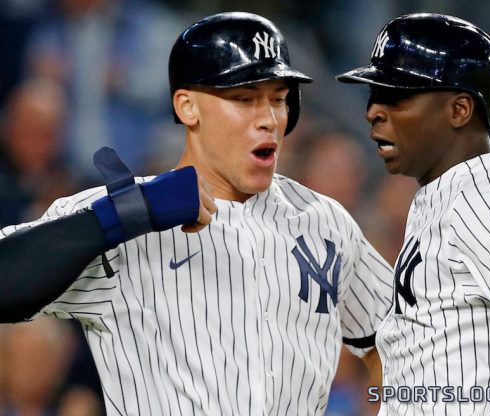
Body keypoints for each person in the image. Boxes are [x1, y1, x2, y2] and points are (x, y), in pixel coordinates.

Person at [0, 12, 394, 415]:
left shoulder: (323, 220)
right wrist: (119, 219)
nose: (268, 119)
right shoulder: (122, 213)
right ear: (188, 107)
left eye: (278, 99)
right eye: (244, 99)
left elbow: (404, 346)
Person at [336, 13, 490, 416]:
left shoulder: (484, 195)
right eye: (373, 94)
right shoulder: (474, 187)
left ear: (459, 110)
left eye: (396, 95)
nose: (373, 111)